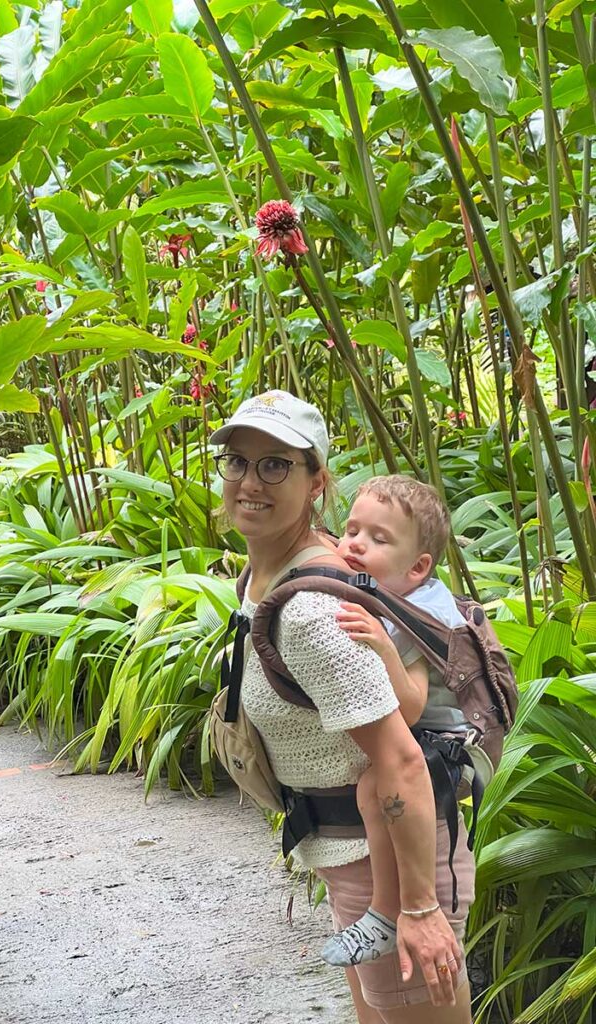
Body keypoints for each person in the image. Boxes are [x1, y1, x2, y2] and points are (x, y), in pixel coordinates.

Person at [210, 391, 474, 1023]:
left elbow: (400, 761)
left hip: (397, 867)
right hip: (352, 860)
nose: (250, 481)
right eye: (237, 461)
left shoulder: (312, 614)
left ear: (316, 481)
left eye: (276, 464)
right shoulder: (262, 581)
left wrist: (417, 910)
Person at [321, 476, 470, 969]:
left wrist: (384, 647)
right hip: (412, 733)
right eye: (352, 530)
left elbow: (409, 707)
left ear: (419, 567)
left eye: (378, 539)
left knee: (373, 787)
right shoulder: (385, 587)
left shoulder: (420, 615)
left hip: (440, 741)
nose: (356, 544)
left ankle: (386, 913)